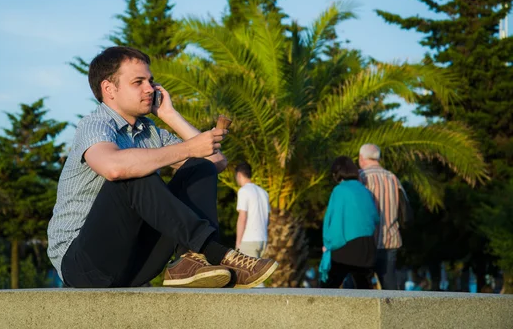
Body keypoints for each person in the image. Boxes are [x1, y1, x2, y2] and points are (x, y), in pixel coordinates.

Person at [47, 46, 278, 289]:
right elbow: (114, 167)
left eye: (150, 81)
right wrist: (190, 148)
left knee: (198, 167)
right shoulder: (95, 125)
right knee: (132, 173)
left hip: (137, 262)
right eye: (138, 82)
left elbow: (216, 162)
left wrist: (169, 114)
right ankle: (217, 253)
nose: (150, 88)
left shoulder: (150, 132)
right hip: (83, 265)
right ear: (109, 89)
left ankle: (192, 260)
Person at [319, 156, 379, 289]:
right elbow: (375, 218)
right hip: (367, 248)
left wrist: (328, 245)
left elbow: (332, 221)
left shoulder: (339, 191)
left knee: (325, 289)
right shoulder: (365, 190)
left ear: (337, 173)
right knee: (364, 289)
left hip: (346, 248)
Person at [358, 143, 408, 290]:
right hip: (390, 240)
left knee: (358, 291)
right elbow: (404, 208)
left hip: (366, 242)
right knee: (390, 288)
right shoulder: (392, 177)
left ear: (361, 158)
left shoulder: (361, 177)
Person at [234, 162, 270, 258]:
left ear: (239, 175)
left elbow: (242, 218)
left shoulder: (243, 191)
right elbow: (268, 219)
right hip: (263, 240)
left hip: (249, 240)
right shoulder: (264, 192)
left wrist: (238, 243)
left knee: (246, 272)